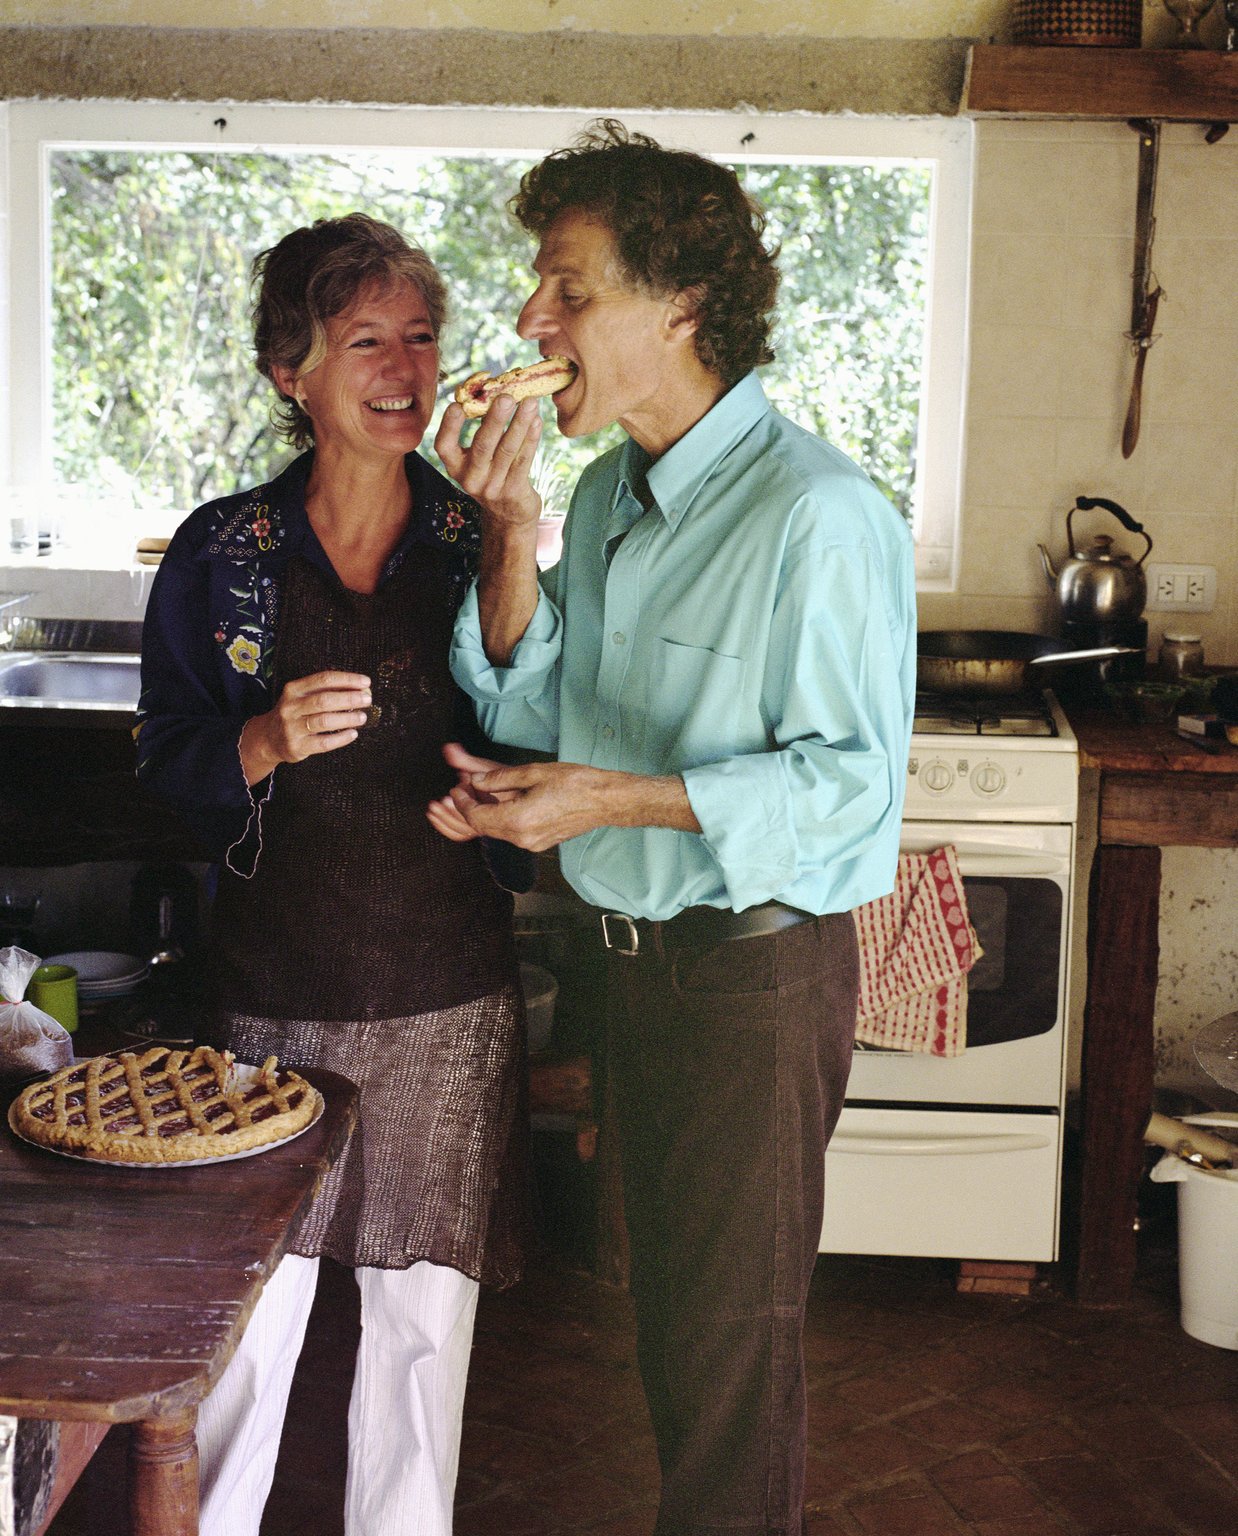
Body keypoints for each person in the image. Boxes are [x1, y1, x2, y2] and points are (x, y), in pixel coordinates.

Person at [428, 122, 916, 1534]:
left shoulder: (819, 516)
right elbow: (535, 698)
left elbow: (850, 790)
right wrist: (508, 529)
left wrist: (612, 799)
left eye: (570, 289)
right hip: (633, 969)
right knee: (676, 1332)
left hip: (749, 979)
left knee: (728, 1358)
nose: (532, 318)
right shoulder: (603, 495)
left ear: (682, 307)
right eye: (539, 285)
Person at [134, 213, 530, 1536]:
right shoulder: (224, 553)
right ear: (289, 371)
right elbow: (162, 761)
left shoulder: (478, 538)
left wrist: (507, 790)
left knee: (422, 1337)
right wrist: (260, 738)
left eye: (422, 336)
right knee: (247, 1327)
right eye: (366, 339)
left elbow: (538, 721)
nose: (405, 368)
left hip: (443, 991)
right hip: (269, 992)